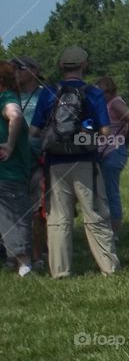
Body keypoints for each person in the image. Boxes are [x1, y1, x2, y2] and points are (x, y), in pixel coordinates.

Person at [29, 46, 119, 278]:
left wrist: (55, 138)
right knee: (96, 213)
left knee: (58, 218)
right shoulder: (93, 93)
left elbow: (34, 130)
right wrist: (85, 139)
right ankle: (108, 267)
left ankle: (60, 270)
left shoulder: (48, 92)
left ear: (61, 66)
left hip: (55, 164)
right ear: (83, 65)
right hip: (86, 162)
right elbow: (106, 131)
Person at [95, 76, 129, 239]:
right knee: (103, 191)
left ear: (109, 92)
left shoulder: (115, 103)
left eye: (101, 94)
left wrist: (125, 138)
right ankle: (107, 227)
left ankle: (114, 231)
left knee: (110, 192)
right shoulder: (108, 103)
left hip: (113, 152)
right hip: (106, 151)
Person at [13, 56, 47, 269]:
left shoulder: (46, 94)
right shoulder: (9, 95)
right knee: (13, 209)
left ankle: (38, 255)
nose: (15, 72)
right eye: (13, 68)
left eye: (20, 68)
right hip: (14, 158)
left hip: (38, 157)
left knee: (38, 210)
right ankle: (14, 254)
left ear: (34, 70)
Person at [0, 61, 33, 276]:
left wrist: (9, 145)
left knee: (9, 215)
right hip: (9, 171)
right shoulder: (7, 98)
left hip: (8, 172)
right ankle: (20, 263)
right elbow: (16, 116)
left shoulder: (5, 99)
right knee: (12, 215)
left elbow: (15, 115)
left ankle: (18, 262)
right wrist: (10, 144)